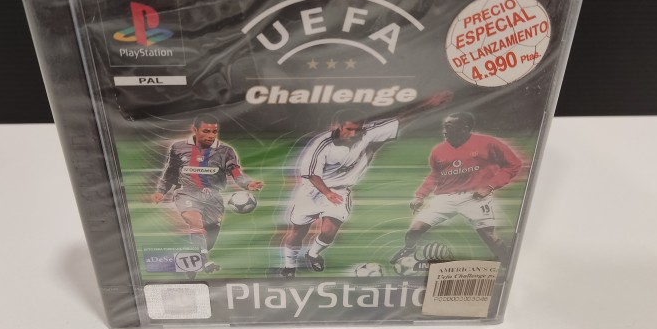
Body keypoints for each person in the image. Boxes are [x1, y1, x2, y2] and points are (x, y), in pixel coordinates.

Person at [280, 91, 452, 277]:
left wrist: (429, 104)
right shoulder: (322, 144)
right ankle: (289, 266)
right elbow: (312, 175)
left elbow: (402, 118)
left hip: (340, 191)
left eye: (358, 129)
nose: (353, 134)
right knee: (297, 232)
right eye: (349, 129)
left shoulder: (368, 134)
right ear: (337, 126)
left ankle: (313, 254)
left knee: (329, 231)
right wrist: (327, 193)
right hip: (313, 190)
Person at [390, 112, 521, 269]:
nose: (444, 131)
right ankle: (409, 249)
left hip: (475, 197)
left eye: (449, 127)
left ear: (464, 128)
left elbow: (513, 164)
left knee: (489, 236)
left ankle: (507, 264)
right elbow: (435, 176)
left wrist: (489, 186)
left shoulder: (488, 143)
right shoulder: (438, 150)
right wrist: (420, 196)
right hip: (445, 198)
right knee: (415, 229)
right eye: (444, 127)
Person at [152, 114, 263, 272]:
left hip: (213, 197)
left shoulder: (225, 151)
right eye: (206, 131)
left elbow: (236, 172)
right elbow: (171, 171)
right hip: (186, 192)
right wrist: (161, 191)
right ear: (195, 130)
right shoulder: (178, 147)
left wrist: (247, 183)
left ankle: (193, 262)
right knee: (195, 222)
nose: (211, 135)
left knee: (208, 239)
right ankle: (204, 262)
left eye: (214, 131)